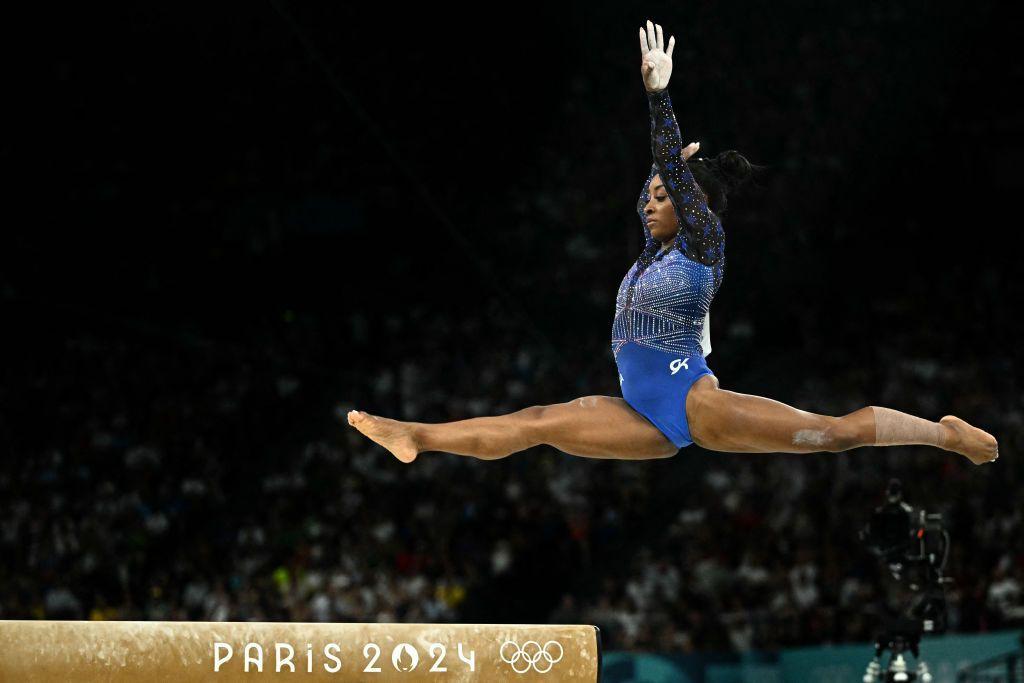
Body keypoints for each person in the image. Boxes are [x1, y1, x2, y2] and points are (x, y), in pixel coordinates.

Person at [346, 20, 998, 468]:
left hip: (694, 402)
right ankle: (417, 436)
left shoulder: (704, 243)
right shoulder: (653, 251)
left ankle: (944, 435)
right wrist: (669, 167)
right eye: (652, 195)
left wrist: (659, 100)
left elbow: (669, 172)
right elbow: (651, 185)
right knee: (537, 422)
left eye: (665, 196)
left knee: (832, 434)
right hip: (641, 413)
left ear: (694, 205)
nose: (651, 203)